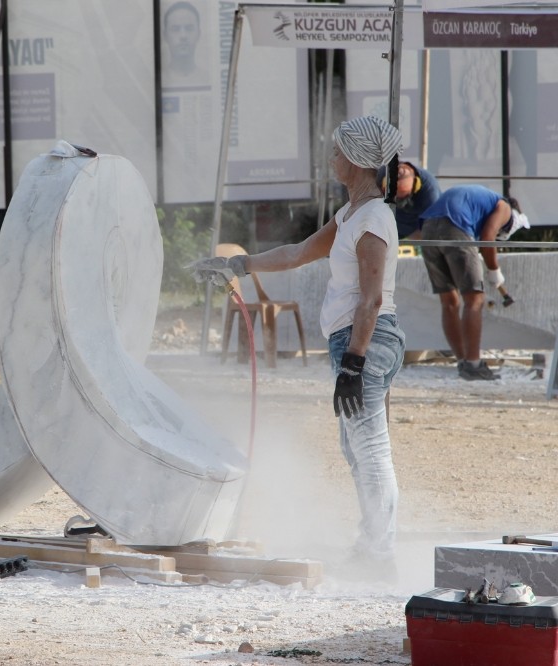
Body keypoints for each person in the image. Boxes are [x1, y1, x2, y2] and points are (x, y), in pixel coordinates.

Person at [191, 115, 407, 574]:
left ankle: (380, 554)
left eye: (337, 151)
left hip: (366, 341)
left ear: (357, 161)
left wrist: (354, 362)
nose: (331, 158)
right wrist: (240, 265)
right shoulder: (350, 215)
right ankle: (372, 545)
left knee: (370, 450)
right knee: (357, 449)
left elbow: (371, 299)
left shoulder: (373, 219)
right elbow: (297, 253)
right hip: (355, 341)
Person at [417, 185, 529, 381]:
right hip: (455, 227)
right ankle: (474, 364)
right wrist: (494, 271)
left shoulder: (481, 200)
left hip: (427, 229)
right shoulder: (504, 207)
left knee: (449, 302)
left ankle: (463, 361)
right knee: (474, 300)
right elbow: (488, 237)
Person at [376, 161, 441, 240]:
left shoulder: (430, 193)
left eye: (400, 198)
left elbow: (431, 228)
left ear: (415, 188)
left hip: (414, 230)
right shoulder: (381, 174)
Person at [162, 1, 202, 82]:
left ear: (199, 34)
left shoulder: (209, 78)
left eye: (189, 29)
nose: (183, 36)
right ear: (165, 36)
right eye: (175, 29)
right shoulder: (159, 79)